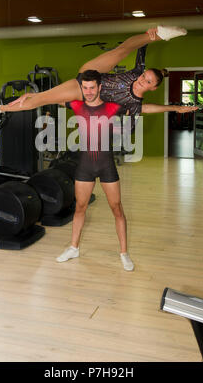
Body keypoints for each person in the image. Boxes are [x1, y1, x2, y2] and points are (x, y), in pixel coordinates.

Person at [0, 25, 198, 118]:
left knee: (40, 99)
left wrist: (175, 108)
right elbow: (135, 46)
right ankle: (162, 34)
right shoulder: (136, 72)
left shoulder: (134, 103)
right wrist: (151, 34)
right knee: (121, 51)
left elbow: (149, 109)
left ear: (153, 87)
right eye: (144, 76)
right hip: (89, 75)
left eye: (147, 81)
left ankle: (0, 109)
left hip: (83, 93)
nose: (142, 80)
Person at [56, 69, 134, 271]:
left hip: (106, 166)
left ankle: (124, 253)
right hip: (85, 167)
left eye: (92, 87)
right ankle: (73, 248)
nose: (88, 91)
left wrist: (174, 108)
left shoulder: (113, 107)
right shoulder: (76, 104)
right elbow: (51, 98)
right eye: (85, 87)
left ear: (100, 87)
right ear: (81, 88)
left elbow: (143, 107)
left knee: (117, 209)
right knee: (80, 207)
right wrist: (30, 98)